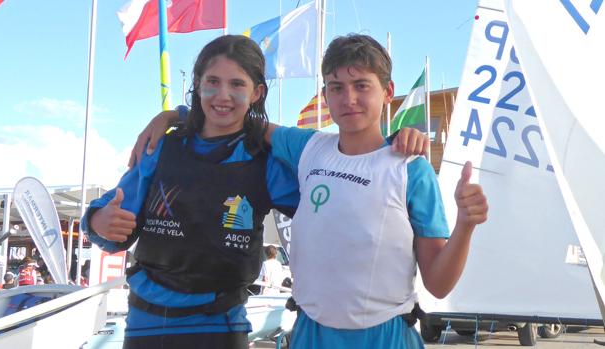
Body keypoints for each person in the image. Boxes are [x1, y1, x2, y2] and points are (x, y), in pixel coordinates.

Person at [133, 34, 488, 349]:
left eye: (362, 86)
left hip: (384, 335)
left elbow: (439, 284)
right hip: (310, 333)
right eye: (336, 87)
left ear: (388, 92)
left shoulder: (412, 169)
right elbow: (237, 117)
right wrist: (174, 116)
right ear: (325, 95)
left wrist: (465, 226)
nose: (349, 98)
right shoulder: (308, 147)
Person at [81, 35, 302, 349]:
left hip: (221, 327)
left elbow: (330, 199)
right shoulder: (160, 147)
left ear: (257, 92)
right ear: (197, 84)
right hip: (147, 326)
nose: (223, 95)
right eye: (213, 81)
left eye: (237, 84)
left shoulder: (266, 163)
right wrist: (98, 220)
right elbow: (109, 220)